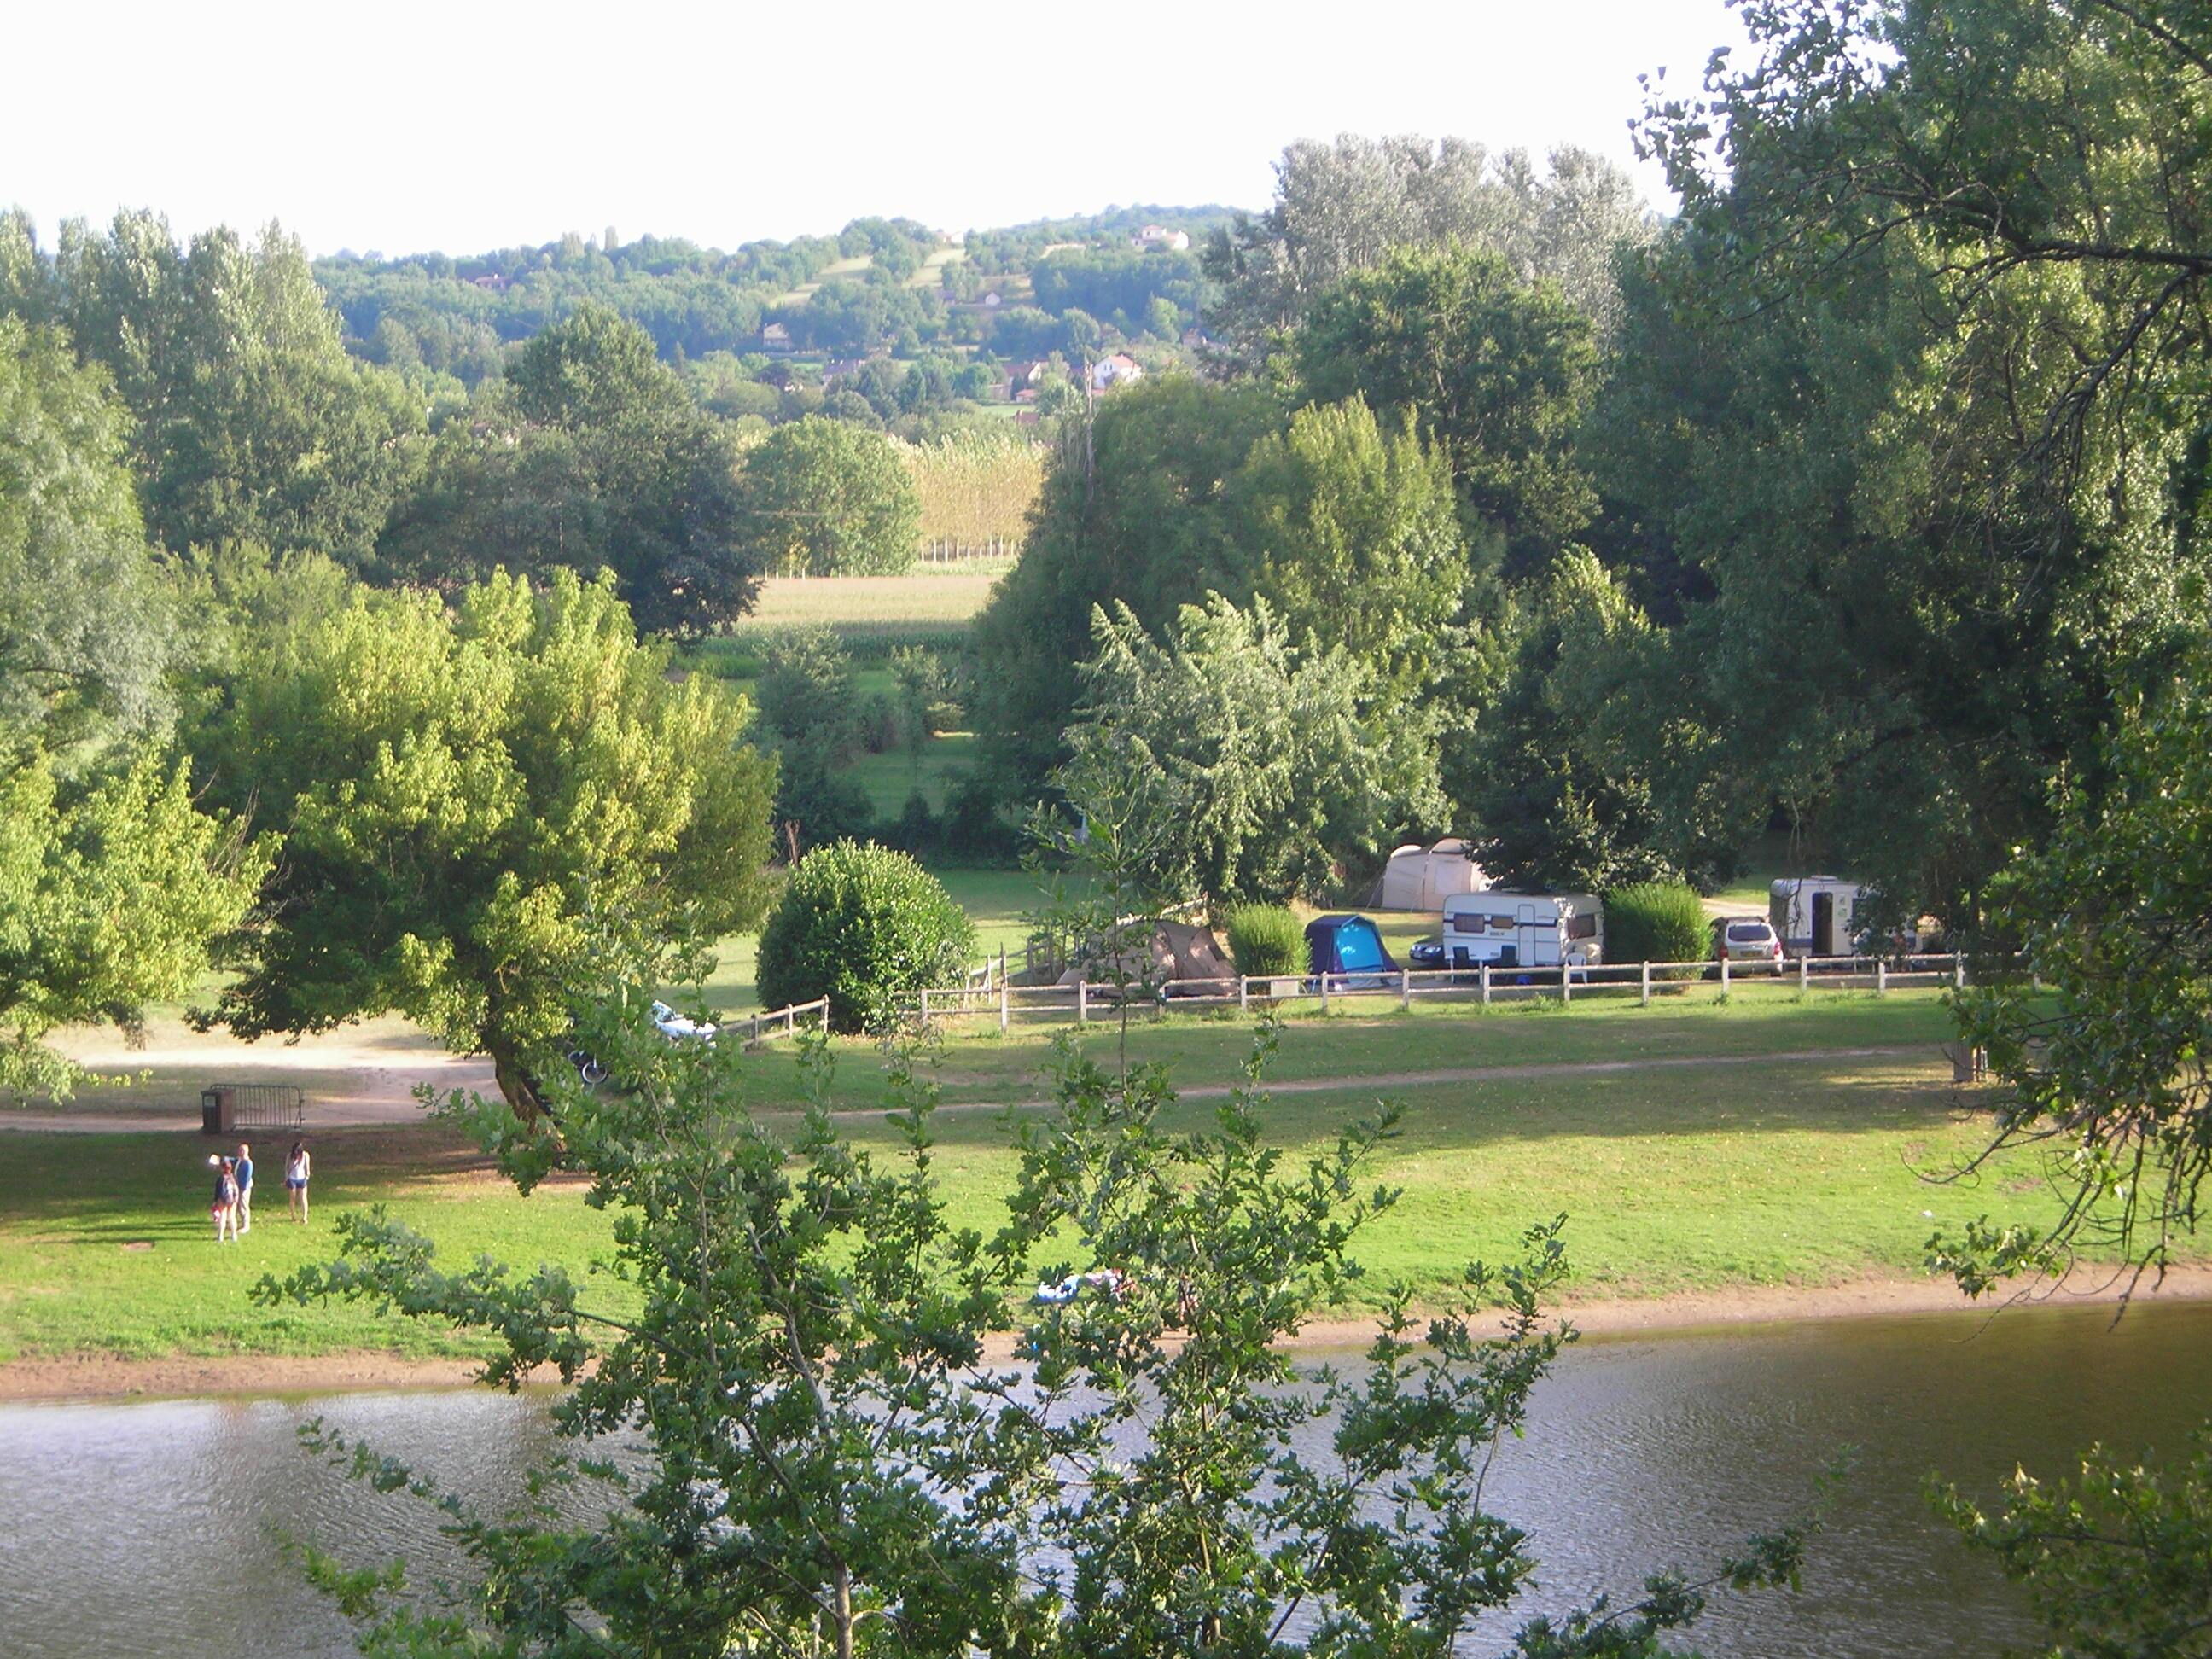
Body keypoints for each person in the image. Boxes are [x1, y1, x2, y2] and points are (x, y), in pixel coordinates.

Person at [211, 1156, 240, 1244]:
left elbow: (218, 1191)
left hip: (222, 1199)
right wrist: (236, 1198)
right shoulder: (233, 1177)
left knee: (222, 1218)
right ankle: (234, 1235)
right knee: (232, 1217)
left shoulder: (221, 1179)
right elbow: (236, 1189)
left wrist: (216, 1201)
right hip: (232, 1199)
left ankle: (221, 1236)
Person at [284, 1141, 311, 1224]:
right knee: (293, 1198)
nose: (296, 1154)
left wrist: (307, 1177)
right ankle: (293, 1216)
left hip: (302, 1178)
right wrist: (287, 1178)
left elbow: (307, 1167)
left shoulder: (305, 1156)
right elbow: (287, 1167)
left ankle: (305, 1217)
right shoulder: (290, 1156)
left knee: (303, 1198)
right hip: (292, 1179)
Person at [233, 1143, 254, 1235]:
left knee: (243, 1206)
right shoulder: (240, 1160)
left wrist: (241, 1188)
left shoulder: (248, 1163)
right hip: (238, 1186)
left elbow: (246, 1178)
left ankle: (246, 1226)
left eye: (240, 1150)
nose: (238, 1152)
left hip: (244, 1188)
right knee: (239, 1206)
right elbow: (232, 1161)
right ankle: (241, 1223)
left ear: (244, 1152)